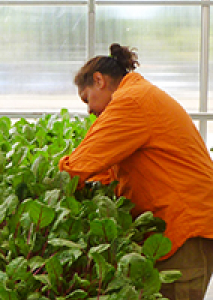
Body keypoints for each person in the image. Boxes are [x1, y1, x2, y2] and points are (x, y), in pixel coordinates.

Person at [59, 43, 213, 300]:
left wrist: (52, 183)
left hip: (185, 226)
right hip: (181, 225)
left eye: (87, 99)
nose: (89, 110)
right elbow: (108, 172)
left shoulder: (132, 101)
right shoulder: (140, 97)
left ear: (99, 81)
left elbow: (77, 166)